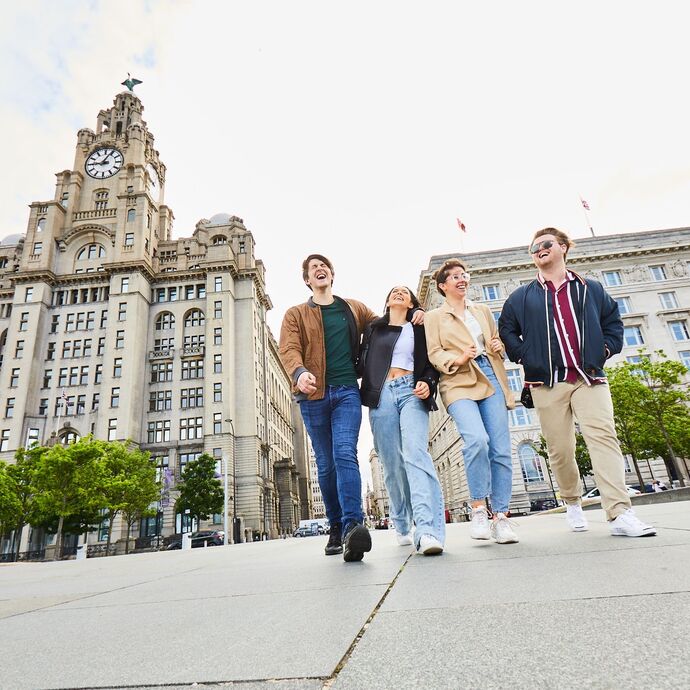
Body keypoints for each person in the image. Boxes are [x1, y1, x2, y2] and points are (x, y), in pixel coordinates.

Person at [499, 227, 656, 537]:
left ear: (563, 248)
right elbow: (506, 329)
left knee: (604, 438)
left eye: (546, 244)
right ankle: (572, 502)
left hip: (589, 378)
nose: (539, 249)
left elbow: (613, 322)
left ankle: (620, 512)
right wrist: (524, 357)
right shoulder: (521, 297)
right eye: (534, 247)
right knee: (560, 450)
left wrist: (607, 349)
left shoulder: (590, 289)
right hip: (547, 383)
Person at [279, 254, 423, 562]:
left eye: (324, 267)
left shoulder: (353, 308)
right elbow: (288, 348)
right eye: (313, 269)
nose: (319, 270)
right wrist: (299, 372)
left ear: (332, 275)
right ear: (307, 279)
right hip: (313, 395)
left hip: (346, 391)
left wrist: (416, 312)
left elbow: (385, 322)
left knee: (345, 452)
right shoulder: (296, 314)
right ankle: (334, 526)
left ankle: (353, 526)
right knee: (326, 463)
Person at [425, 259, 519, 544]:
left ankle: (501, 516)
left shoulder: (482, 310)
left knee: (501, 449)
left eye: (463, 275)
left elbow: (495, 343)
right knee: (477, 440)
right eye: (454, 277)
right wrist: (457, 358)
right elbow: (434, 353)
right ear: (443, 286)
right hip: (458, 379)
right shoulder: (434, 317)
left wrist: (498, 347)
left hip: (489, 375)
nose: (461, 279)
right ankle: (479, 508)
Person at [359, 285, 445, 555]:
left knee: (415, 454)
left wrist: (428, 382)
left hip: (411, 390)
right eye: (393, 291)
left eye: (404, 292)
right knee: (392, 463)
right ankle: (401, 521)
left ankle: (427, 529)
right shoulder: (373, 327)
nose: (398, 293)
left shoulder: (420, 325)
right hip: (381, 393)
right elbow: (360, 361)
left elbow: (432, 360)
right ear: (387, 301)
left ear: (411, 303)